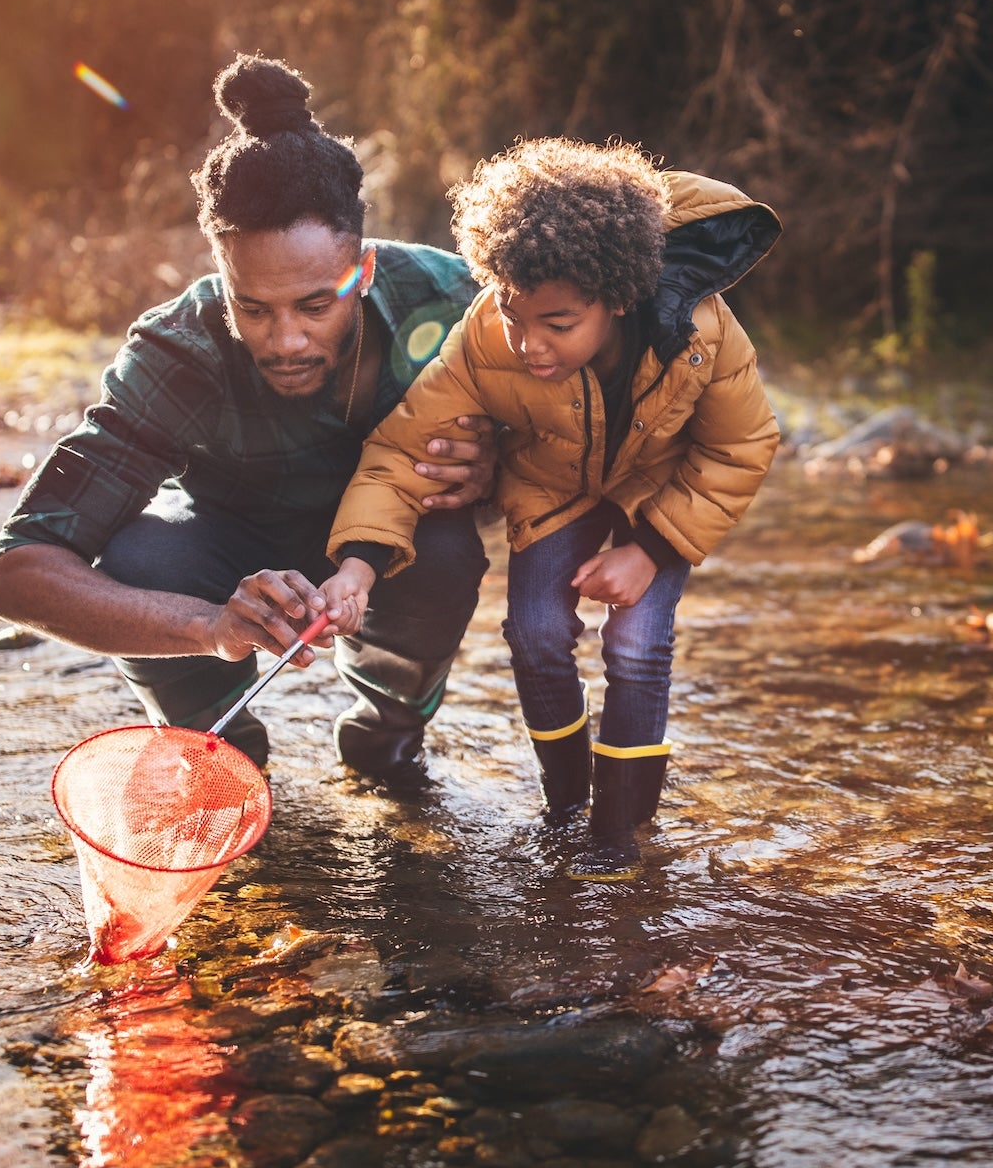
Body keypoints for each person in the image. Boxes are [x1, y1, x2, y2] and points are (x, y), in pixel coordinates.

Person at [0, 54, 493, 789]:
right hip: (226, 554)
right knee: (139, 556)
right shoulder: (177, 353)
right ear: (221, 272)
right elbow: (17, 574)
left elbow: (585, 429)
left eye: (317, 305)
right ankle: (223, 759)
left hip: (397, 552)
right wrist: (206, 628)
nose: (286, 340)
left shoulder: (454, 303)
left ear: (366, 270)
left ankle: (387, 735)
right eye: (252, 307)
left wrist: (495, 469)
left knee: (448, 552)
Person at [321, 138, 782, 877]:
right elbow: (402, 450)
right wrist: (358, 564)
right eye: (513, 314)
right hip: (550, 485)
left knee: (636, 644)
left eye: (557, 324)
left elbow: (743, 446)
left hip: (658, 494)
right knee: (533, 632)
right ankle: (566, 807)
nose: (529, 344)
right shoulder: (484, 337)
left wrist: (653, 552)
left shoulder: (702, 334)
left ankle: (619, 831)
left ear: (618, 298)